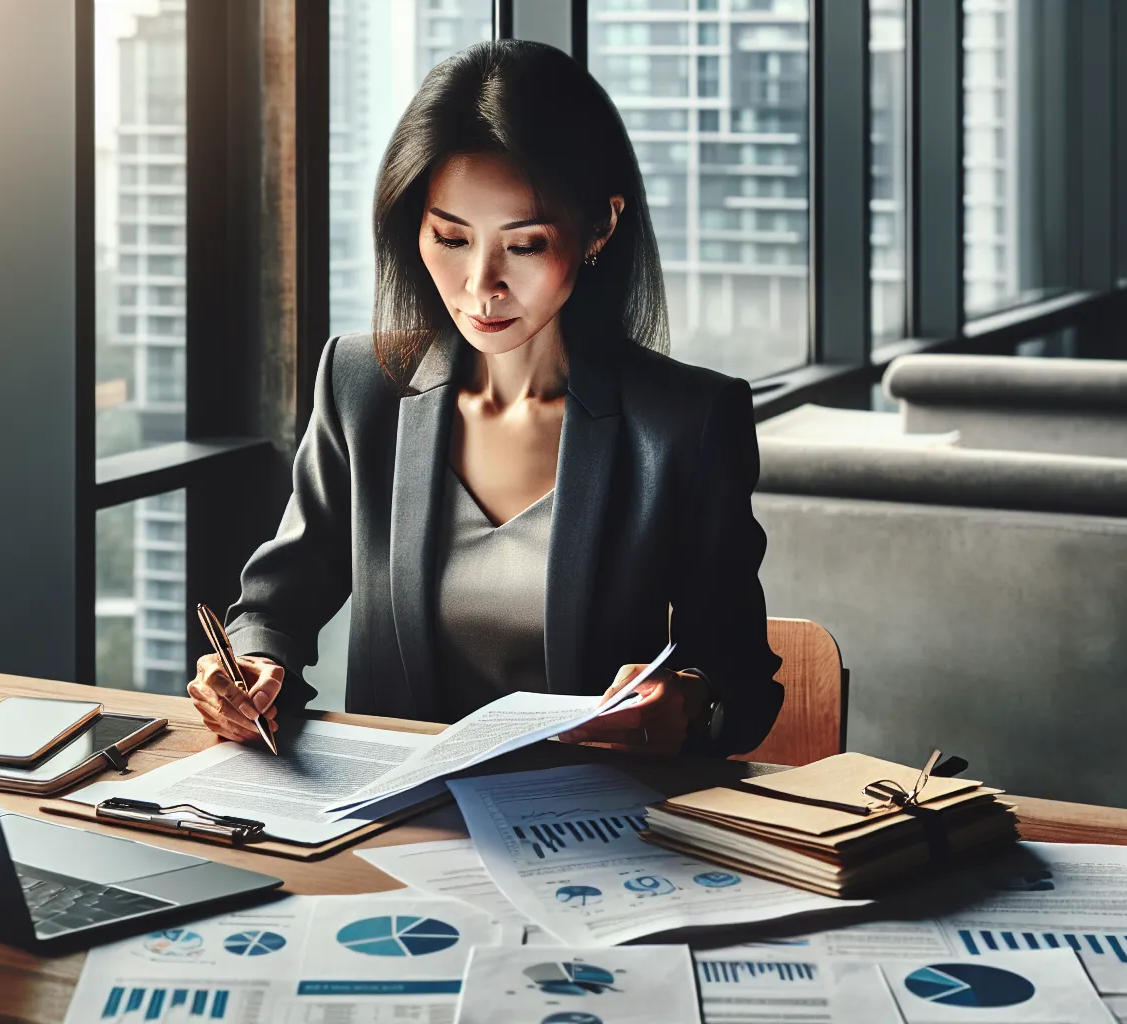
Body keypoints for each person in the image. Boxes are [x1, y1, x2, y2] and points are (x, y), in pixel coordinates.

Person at [187, 39, 783, 758]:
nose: (481, 285)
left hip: (591, 827)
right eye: (451, 237)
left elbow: (740, 679)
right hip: (389, 824)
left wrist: (687, 698)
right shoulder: (363, 383)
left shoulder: (685, 424)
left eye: (524, 245)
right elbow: (274, 605)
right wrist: (254, 665)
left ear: (601, 227)